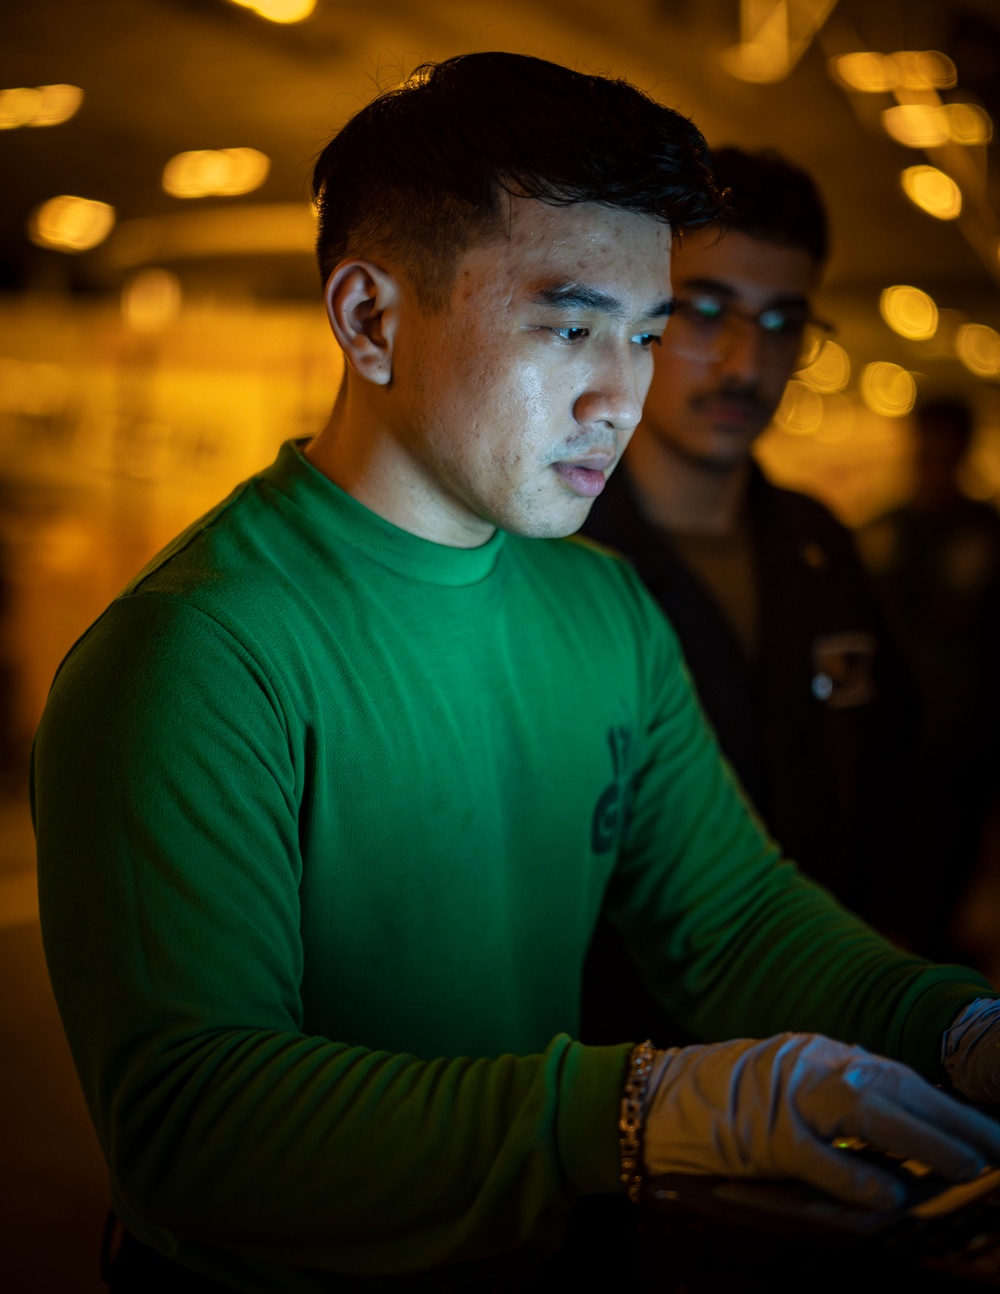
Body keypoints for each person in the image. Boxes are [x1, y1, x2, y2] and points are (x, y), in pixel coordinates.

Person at [29, 54, 1000, 1294]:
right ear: (372, 320)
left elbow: (731, 916)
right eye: (568, 324)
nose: (621, 393)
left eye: (645, 334)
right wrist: (629, 1111)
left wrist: (953, 1026)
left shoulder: (600, 608)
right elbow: (195, 1127)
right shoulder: (195, 656)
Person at [579, 149, 918, 1047]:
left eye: (781, 324)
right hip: (617, 1068)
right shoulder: (557, 552)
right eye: (706, 312)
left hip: (827, 1039)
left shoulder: (820, 546)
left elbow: (896, 777)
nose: (746, 363)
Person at [861, 397, 1000, 958]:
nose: (935, 465)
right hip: (892, 751)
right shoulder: (882, 532)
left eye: (947, 452)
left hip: (965, 753)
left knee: (949, 893)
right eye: (928, 451)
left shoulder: (986, 536)